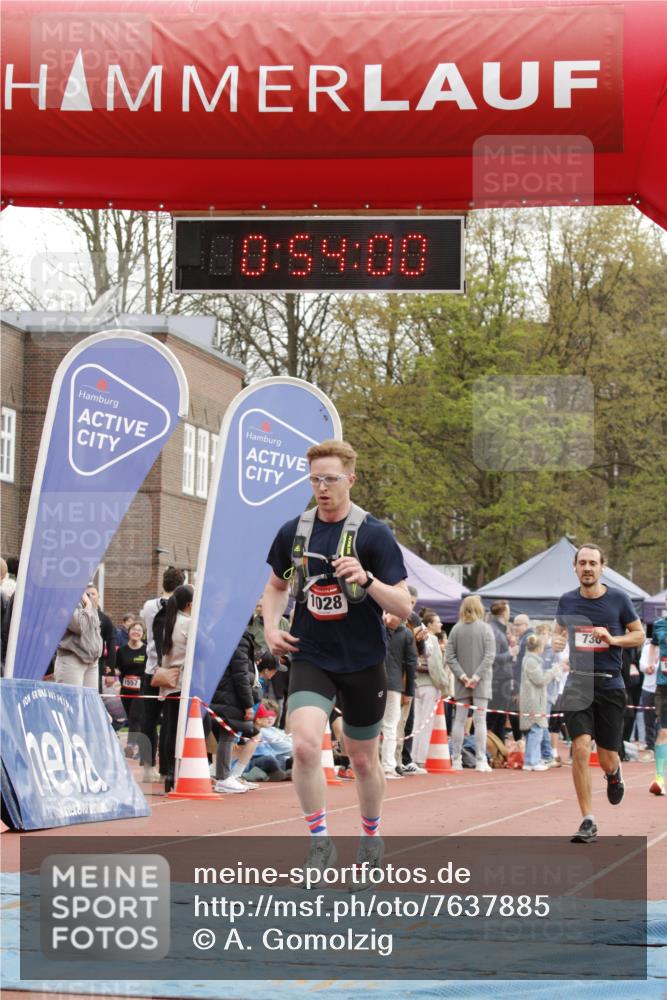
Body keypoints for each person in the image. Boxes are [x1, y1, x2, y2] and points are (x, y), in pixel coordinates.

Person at [261, 439, 411, 873]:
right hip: (311, 654)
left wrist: (367, 580)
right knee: (305, 745)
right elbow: (276, 586)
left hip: (364, 660)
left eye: (330, 479)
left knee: (362, 759)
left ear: (351, 479)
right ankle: (320, 842)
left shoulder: (374, 534)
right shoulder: (294, 532)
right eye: (315, 480)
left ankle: (370, 838)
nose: (322, 488)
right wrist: (271, 628)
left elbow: (403, 606)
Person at [553, 544, 645, 843]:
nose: (587, 568)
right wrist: (556, 641)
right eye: (582, 563)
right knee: (580, 747)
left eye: (593, 563)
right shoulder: (567, 601)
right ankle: (588, 820)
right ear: (575, 567)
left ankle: (614, 773)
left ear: (602, 567)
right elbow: (558, 631)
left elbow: (639, 635)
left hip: (610, 684)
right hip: (578, 684)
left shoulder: (618, 599)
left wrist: (612, 639)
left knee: (607, 758)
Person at [139, 566, 186, 783]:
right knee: (169, 720)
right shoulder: (181, 609)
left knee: (148, 720)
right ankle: (167, 770)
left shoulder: (149, 606)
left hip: (151, 669)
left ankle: (148, 768)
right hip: (172, 671)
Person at [446, 595, 496, 772]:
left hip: (462, 683)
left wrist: (462, 676)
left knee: (459, 720)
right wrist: (476, 676)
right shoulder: (486, 629)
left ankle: (456, 759)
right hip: (481, 682)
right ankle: (481, 759)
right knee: (480, 720)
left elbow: (449, 657)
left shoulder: (455, 629)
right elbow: (489, 656)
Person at [210, 629, 260, 794]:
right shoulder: (238, 638)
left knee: (226, 736)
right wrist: (248, 704)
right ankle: (223, 777)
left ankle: (224, 775)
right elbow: (241, 674)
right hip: (230, 694)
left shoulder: (225, 634)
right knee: (227, 736)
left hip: (223, 691)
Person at [157, 583, 194, 793]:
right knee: (179, 729)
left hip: (170, 682)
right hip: (181, 681)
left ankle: (168, 771)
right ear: (189, 604)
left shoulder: (170, 621)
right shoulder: (187, 623)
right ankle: (176, 771)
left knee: (170, 728)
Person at [412, 610, 452, 770]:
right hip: (430, 684)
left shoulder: (416, 636)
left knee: (415, 723)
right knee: (425, 724)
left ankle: (411, 757)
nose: (440, 624)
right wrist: (444, 685)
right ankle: (420, 759)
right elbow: (435, 666)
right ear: (429, 624)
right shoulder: (432, 639)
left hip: (416, 683)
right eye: (437, 622)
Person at [381, 611, 417, 779]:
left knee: (386, 726)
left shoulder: (380, 628)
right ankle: (387, 766)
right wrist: (409, 691)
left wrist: (409, 691)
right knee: (389, 726)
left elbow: (411, 663)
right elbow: (411, 663)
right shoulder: (406, 634)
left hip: (382, 683)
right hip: (389, 683)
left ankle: (384, 765)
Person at [519, 634, 561, 771]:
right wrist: (553, 671)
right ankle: (533, 761)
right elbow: (540, 680)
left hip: (532, 699)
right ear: (538, 648)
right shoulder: (531, 661)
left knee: (534, 730)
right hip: (534, 701)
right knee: (536, 730)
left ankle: (530, 761)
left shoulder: (530, 660)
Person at [54, 590, 103, 688]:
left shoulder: (86, 598)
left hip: (92, 660)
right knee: (72, 697)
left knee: (90, 698)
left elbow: (95, 627)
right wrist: (88, 604)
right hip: (72, 658)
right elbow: (80, 626)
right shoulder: (64, 599)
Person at [116, 620, 147, 758]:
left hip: (142, 689)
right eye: (134, 629)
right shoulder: (122, 651)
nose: (136, 632)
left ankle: (130, 745)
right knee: (133, 718)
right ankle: (142, 747)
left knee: (135, 716)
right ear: (128, 632)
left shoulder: (146, 650)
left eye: (139, 630)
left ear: (143, 634)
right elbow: (117, 668)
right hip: (126, 689)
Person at [487, 601, 515, 742]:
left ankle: (498, 750)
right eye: (508, 611)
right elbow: (492, 658)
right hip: (498, 680)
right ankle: (489, 749)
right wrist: (510, 653)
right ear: (504, 613)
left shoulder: (498, 630)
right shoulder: (495, 631)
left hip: (501, 679)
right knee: (494, 719)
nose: (510, 613)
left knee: (500, 718)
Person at [648, 601, 667, 795]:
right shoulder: (659, 624)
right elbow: (653, 645)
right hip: (663, 685)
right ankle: (659, 778)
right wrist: (650, 662)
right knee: (663, 731)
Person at [85, 585, 116, 691]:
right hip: (77, 660)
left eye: (93, 594)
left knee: (93, 693)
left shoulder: (105, 619)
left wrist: (111, 672)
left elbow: (111, 644)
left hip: (96, 663)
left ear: (98, 597)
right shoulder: (76, 615)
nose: (90, 596)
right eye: (87, 594)